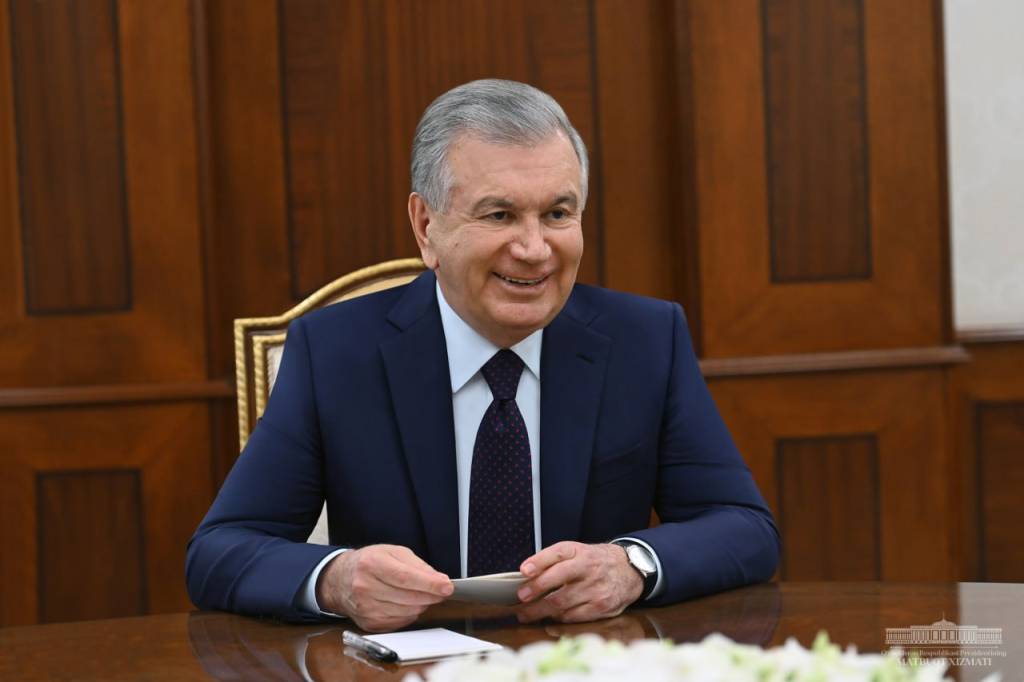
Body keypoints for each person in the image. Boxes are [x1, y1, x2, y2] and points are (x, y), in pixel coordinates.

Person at [186, 79, 779, 632]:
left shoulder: (645, 339)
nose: (534, 249)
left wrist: (631, 565)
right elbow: (220, 551)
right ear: (426, 226)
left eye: (557, 214)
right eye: (500, 215)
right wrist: (337, 579)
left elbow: (746, 529)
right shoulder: (334, 352)